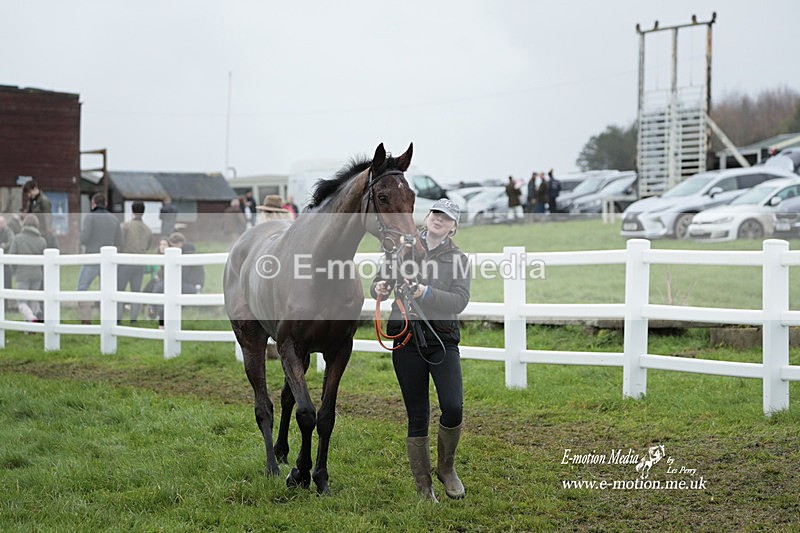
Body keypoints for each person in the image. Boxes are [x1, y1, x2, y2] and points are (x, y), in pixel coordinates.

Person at [371, 198, 470, 502]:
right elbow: (379, 280)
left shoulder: (458, 259)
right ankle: (424, 487)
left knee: (452, 406)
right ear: (427, 217)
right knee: (417, 413)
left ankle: (446, 468)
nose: (439, 219)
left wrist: (426, 293)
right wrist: (379, 287)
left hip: (442, 339)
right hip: (406, 338)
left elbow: (459, 300)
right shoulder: (401, 248)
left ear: (453, 227)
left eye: (446, 217)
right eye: (435, 213)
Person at [77, 193, 125, 324]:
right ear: (105, 204)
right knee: (107, 291)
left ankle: (86, 320)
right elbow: (120, 241)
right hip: (108, 261)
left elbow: (84, 239)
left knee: (82, 288)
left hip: (92, 258)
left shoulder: (90, 217)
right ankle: (108, 319)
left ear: (93, 203)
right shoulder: (114, 219)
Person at [117, 201, 153, 323]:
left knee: (119, 291)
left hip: (125, 263)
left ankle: (118, 318)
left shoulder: (125, 226)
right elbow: (148, 246)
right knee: (136, 292)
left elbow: (119, 243)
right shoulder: (148, 230)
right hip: (140, 264)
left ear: (132, 211)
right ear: (143, 212)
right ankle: (134, 319)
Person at [8, 215, 46, 322]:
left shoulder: (17, 239)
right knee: (32, 302)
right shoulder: (42, 241)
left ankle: (31, 319)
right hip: (37, 275)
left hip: (22, 274)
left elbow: (11, 256)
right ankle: (29, 327)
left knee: (21, 302)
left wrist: (14, 271)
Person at [22, 179, 57, 249]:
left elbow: (48, 217)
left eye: (29, 192)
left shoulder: (44, 201)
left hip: (43, 233)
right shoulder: (31, 202)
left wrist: (47, 231)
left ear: (35, 188)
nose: (29, 195)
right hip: (34, 232)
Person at [0, 216, 15, 302]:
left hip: (6, 260)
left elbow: (11, 242)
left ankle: (6, 304)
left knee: (6, 282)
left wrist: (3, 246)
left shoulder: (8, 231)